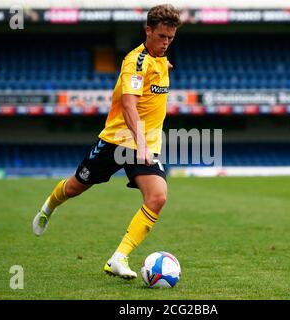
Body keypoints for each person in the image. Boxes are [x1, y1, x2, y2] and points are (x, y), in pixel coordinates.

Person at [32, 4, 181, 280]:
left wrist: (144, 146)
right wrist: (142, 143)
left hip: (142, 145)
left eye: (170, 38)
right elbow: (128, 107)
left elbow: (157, 66)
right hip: (116, 140)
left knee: (158, 196)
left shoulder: (160, 58)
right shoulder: (134, 62)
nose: (166, 43)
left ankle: (118, 258)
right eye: (161, 37)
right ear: (148, 30)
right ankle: (48, 207)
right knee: (76, 186)